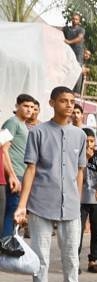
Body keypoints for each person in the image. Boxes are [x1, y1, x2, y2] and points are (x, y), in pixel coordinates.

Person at [12, 86, 89, 282]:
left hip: (71, 208)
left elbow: (79, 172)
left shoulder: (80, 136)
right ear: (52, 102)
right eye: (63, 101)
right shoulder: (38, 133)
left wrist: (77, 201)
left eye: (71, 101)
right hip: (41, 204)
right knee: (41, 260)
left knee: (71, 260)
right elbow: (31, 170)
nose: (68, 105)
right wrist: (22, 206)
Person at [2, 94, 33, 237]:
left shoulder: (23, 125)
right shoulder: (12, 122)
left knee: (16, 213)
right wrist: (12, 175)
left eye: (32, 107)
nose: (29, 110)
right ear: (17, 106)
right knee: (12, 211)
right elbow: (3, 149)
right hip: (14, 175)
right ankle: (6, 247)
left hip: (22, 173)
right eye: (26, 106)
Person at [79, 128, 97, 273]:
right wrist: (85, 159)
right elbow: (78, 174)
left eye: (92, 141)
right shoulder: (77, 155)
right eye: (86, 141)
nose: (90, 144)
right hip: (81, 198)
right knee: (77, 231)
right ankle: (74, 261)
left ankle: (93, 260)